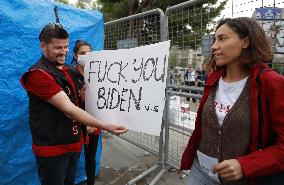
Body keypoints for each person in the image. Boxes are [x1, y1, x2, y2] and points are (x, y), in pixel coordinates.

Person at [180, 17, 284, 185]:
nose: (214, 46)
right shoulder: (213, 78)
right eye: (215, 40)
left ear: (245, 42)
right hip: (201, 171)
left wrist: (245, 165)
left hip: (243, 179)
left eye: (222, 38)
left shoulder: (271, 83)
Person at [20, 23, 128, 185]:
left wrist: (84, 97)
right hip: (53, 149)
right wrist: (107, 126)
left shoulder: (68, 70)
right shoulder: (37, 74)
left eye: (66, 47)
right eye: (58, 47)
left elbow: (78, 101)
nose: (64, 52)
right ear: (43, 46)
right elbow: (69, 110)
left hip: (73, 142)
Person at [71, 40, 101, 185]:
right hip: (74, 124)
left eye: (89, 53)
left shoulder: (99, 73)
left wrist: (94, 122)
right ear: (75, 55)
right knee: (72, 159)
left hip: (93, 124)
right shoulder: (69, 74)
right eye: (83, 53)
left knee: (91, 158)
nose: (86, 56)